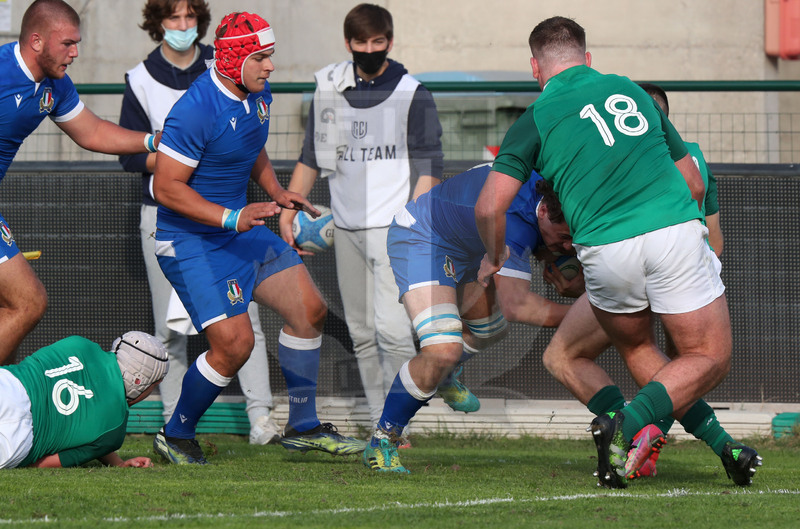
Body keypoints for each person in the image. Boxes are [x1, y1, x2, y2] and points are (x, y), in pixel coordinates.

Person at [475, 16, 760, 489]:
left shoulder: (535, 117)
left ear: (535, 69)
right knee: (709, 356)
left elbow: (489, 207)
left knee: (636, 348)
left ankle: (661, 433)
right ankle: (628, 425)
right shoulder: (630, 90)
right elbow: (692, 183)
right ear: (588, 59)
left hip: (605, 250)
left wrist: (495, 254)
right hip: (669, 231)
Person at [150, 11, 366, 465]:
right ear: (233, 60)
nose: (271, 66)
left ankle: (302, 426)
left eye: (271, 56)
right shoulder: (195, 109)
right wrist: (231, 217)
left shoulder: (256, 93)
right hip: (191, 241)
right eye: (261, 58)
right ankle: (176, 434)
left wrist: (277, 191)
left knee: (309, 310)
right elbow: (165, 188)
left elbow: (251, 145)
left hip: (238, 228)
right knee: (234, 345)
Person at [542, 83, 738, 482]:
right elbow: (713, 241)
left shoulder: (608, 153)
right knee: (686, 367)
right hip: (684, 274)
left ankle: (628, 428)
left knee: (582, 354)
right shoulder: (693, 158)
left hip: (629, 267)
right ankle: (711, 445)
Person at [118, 0, 279, 445]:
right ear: (158, 24)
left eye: (190, 17)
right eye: (174, 17)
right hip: (168, 218)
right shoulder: (139, 78)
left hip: (230, 220)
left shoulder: (233, 67)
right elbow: (130, 157)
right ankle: (174, 422)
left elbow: (247, 139)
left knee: (246, 321)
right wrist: (182, 159)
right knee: (169, 331)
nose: (183, 24)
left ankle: (261, 419)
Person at [278, 3, 444, 429]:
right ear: (347, 42)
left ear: (390, 41)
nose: (369, 49)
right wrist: (289, 208)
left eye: (378, 41)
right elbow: (311, 157)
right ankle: (378, 422)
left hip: (394, 229)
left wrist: (413, 222)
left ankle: (400, 425)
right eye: (360, 42)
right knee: (363, 334)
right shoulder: (330, 88)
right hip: (345, 228)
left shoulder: (413, 93)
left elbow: (429, 167)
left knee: (394, 332)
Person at [363, 164, 581, 473]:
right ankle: (383, 439)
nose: (569, 247)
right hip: (422, 236)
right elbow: (518, 306)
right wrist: (592, 315)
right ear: (543, 211)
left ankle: (444, 376)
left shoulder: (549, 193)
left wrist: (564, 263)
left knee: (490, 329)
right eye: (565, 237)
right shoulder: (515, 220)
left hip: (466, 249)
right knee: (443, 350)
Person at [0, 0, 160, 365]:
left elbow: (93, 132)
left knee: (15, 307)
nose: (75, 53)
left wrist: (154, 141)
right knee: (28, 302)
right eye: (67, 43)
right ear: (37, 41)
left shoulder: (55, 85)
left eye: (77, 43)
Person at [0, 331, 168, 469]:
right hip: (18, 437)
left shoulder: (79, 343)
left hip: (9, 385)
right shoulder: (114, 431)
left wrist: (118, 463)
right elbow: (46, 462)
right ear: (140, 382)